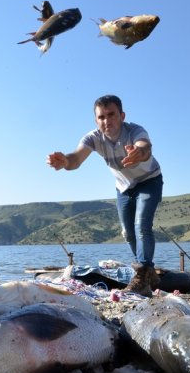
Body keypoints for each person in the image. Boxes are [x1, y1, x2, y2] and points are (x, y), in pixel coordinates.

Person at [47, 94, 163, 296]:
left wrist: (139, 152)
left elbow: (145, 146)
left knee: (142, 225)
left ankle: (142, 275)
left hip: (149, 181)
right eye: (101, 117)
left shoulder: (134, 130)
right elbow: (76, 158)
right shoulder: (93, 138)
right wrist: (65, 161)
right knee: (127, 232)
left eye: (111, 115)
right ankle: (148, 272)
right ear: (96, 120)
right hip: (123, 188)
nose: (106, 121)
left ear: (122, 116)